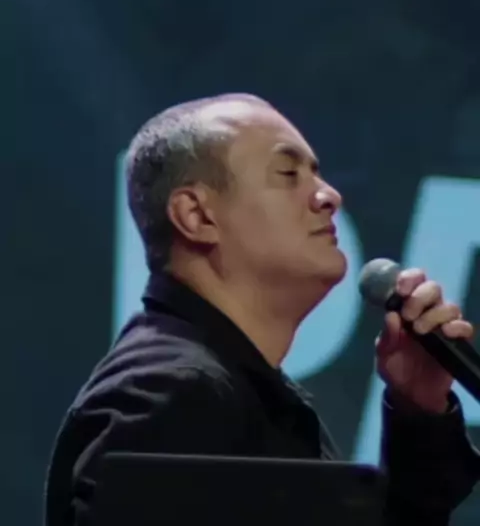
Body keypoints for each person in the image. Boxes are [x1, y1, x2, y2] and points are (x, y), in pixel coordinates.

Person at [45, 93, 480, 526]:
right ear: (196, 216)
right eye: (288, 174)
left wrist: (417, 410)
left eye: (316, 173)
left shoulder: (237, 391)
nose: (329, 196)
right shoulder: (170, 392)